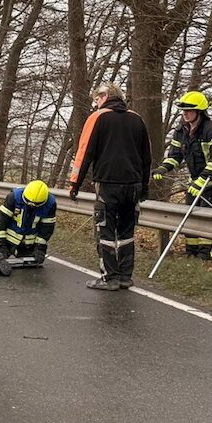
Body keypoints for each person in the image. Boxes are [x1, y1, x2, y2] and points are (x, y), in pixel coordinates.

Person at [68, 81, 150, 290]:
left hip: (107, 184)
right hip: (133, 185)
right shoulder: (136, 119)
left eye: (96, 100)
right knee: (126, 232)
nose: (95, 104)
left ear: (104, 97)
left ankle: (109, 277)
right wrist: (145, 186)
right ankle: (125, 276)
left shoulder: (97, 118)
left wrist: (74, 183)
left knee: (105, 231)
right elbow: (146, 156)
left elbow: (84, 152)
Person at [152, 90, 212, 260]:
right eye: (183, 110)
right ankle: (191, 253)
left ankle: (206, 256)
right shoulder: (181, 131)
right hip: (195, 182)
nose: (185, 114)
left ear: (199, 112)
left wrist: (202, 180)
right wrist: (163, 169)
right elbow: (175, 156)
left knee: (208, 220)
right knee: (191, 217)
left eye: (189, 110)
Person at [0, 180, 57, 267]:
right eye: (29, 202)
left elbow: (46, 229)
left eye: (35, 204)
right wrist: (0, 246)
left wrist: (40, 249)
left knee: (32, 264)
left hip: (28, 245)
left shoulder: (50, 204)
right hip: (7, 241)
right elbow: (1, 222)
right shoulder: (14, 197)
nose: (31, 206)